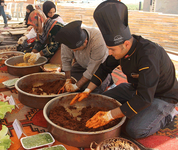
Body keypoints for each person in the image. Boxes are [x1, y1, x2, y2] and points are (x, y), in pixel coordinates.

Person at [71, 0, 178, 139]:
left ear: (126, 44)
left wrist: (110, 115)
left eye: (111, 49)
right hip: (135, 88)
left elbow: (145, 97)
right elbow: (104, 68)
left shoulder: (149, 55)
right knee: (100, 101)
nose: (110, 53)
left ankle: (168, 114)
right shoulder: (120, 49)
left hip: (161, 95)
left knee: (134, 130)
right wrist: (87, 90)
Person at [55, 20, 112, 94]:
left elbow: (92, 69)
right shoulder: (67, 39)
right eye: (73, 50)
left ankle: (108, 79)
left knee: (92, 90)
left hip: (99, 67)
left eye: (76, 49)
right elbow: (66, 60)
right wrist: (68, 80)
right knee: (62, 80)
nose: (74, 52)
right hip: (81, 64)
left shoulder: (98, 40)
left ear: (85, 41)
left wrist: (77, 86)